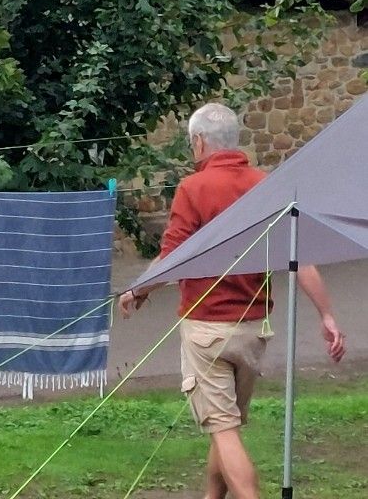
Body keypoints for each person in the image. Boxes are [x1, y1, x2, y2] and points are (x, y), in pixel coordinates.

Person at [119, 102, 346, 499]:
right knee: (224, 426)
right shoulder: (266, 186)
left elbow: (172, 256)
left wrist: (138, 290)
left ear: (200, 142)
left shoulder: (194, 188)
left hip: (208, 331)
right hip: (254, 332)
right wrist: (326, 314)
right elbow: (299, 255)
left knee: (223, 430)